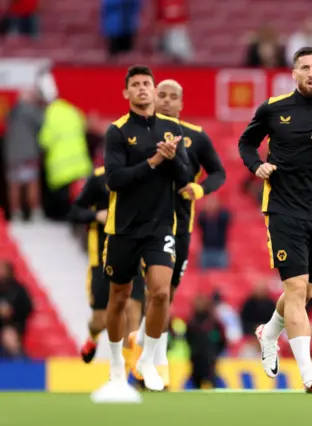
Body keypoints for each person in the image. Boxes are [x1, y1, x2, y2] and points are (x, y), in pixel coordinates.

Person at [238, 46, 312, 393]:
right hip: (282, 209)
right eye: (304, 67)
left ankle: (269, 332)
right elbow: (246, 143)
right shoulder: (274, 109)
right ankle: (307, 372)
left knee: (305, 292)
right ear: (293, 73)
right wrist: (256, 165)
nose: (310, 72)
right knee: (294, 289)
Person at [91, 65, 191, 403]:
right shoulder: (118, 131)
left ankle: (147, 360)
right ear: (127, 93)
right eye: (136, 85)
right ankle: (117, 364)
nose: (143, 89)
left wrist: (173, 158)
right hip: (122, 228)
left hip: (161, 226)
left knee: (161, 293)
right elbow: (114, 179)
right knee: (118, 298)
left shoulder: (171, 129)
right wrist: (152, 162)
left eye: (147, 84)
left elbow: (187, 176)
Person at [130, 79, 226, 389]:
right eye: (163, 95)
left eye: (174, 97)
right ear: (153, 98)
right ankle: (155, 364)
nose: (168, 100)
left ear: (182, 105)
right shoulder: (137, 134)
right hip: (146, 227)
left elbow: (219, 172)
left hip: (180, 226)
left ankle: (145, 347)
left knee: (165, 296)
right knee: (155, 293)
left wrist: (199, 188)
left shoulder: (195, 138)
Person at [68, 166, 146, 368]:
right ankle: (93, 336)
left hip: (133, 256)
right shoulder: (98, 178)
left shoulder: (143, 175)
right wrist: (96, 216)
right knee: (101, 320)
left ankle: (126, 372)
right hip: (102, 260)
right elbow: (75, 210)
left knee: (132, 310)